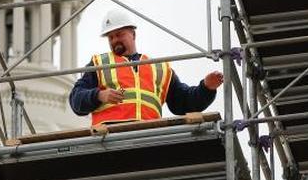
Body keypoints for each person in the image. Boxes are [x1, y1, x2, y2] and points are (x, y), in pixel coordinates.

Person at [68, 9, 224, 124]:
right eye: (111, 37)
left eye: (120, 34)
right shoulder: (99, 64)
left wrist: (206, 88)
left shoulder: (159, 69)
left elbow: (183, 103)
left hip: (148, 137)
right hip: (109, 138)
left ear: (133, 34)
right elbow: (76, 100)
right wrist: (98, 95)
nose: (115, 40)